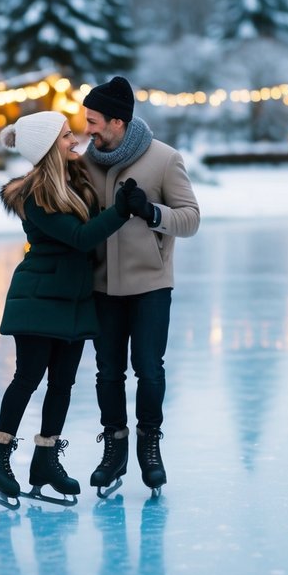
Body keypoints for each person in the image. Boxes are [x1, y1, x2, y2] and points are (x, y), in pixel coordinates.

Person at [0, 110, 149, 509]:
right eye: (66, 136)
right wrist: (121, 210)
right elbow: (81, 238)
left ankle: (45, 460)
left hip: (75, 299)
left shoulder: (74, 180)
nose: (75, 140)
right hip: (39, 297)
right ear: (49, 146)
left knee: (62, 383)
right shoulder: (34, 194)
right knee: (28, 377)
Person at [80, 76, 200, 497]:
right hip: (102, 286)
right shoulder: (85, 162)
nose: (88, 129)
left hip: (150, 284)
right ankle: (114, 449)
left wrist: (151, 212)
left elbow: (191, 218)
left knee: (149, 369)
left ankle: (150, 445)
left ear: (118, 121)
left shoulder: (164, 159)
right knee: (108, 372)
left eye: (93, 121)